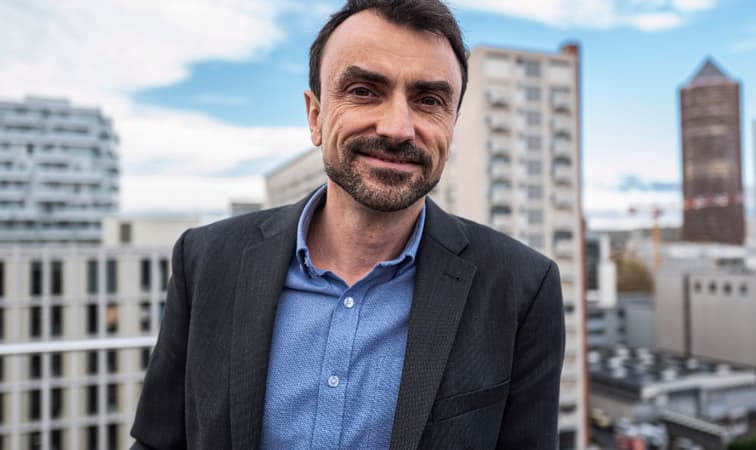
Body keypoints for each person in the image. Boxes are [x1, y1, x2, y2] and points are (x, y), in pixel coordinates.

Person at [130, 0, 565, 449]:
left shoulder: (522, 288)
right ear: (315, 117)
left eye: (429, 100)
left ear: (451, 126)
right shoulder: (206, 261)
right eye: (363, 91)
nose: (398, 128)